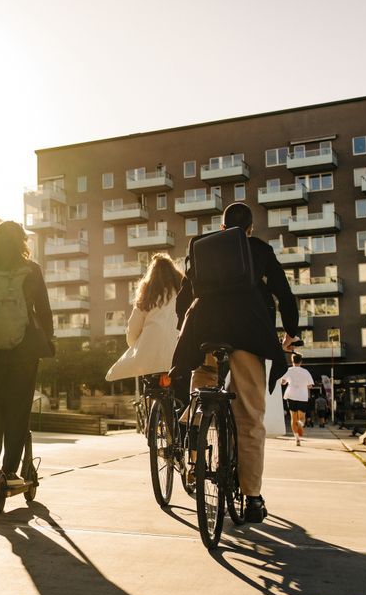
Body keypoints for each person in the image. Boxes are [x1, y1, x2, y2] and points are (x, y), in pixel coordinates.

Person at [172, 202, 299, 524]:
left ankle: (193, 446)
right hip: (247, 332)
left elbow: (185, 297)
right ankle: (253, 497)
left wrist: (184, 331)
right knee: (250, 417)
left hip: (203, 331)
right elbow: (284, 294)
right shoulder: (258, 249)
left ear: (223, 226)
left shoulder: (204, 247)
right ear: (250, 228)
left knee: (200, 391)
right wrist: (291, 334)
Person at [0, 221, 54, 487]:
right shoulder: (31, 270)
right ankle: (9, 471)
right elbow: (44, 310)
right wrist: (47, 339)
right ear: (21, 243)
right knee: (18, 410)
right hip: (24, 350)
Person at [105, 254, 184, 390]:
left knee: (152, 391)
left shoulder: (148, 295)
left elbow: (133, 330)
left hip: (150, 357)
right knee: (181, 397)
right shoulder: (183, 293)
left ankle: (155, 407)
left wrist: (136, 346)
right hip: (179, 354)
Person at [279, 354, 315, 446]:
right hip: (302, 396)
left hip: (291, 395)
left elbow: (283, 382)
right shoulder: (306, 372)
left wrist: (285, 381)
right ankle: (300, 424)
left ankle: (297, 439)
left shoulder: (288, 370)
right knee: (302, 417)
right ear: (301, 361)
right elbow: (310, 385)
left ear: (292, 361)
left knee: (293, 417)